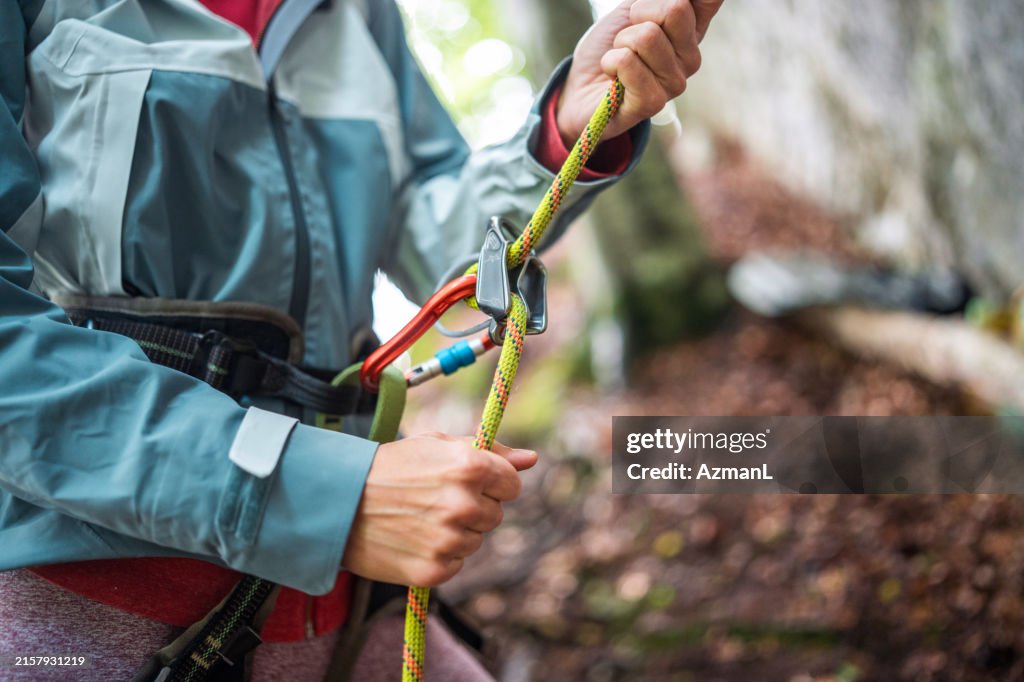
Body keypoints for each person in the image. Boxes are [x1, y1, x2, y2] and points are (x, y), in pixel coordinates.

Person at [0, 0, 723, 679]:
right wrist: (316, 498)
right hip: (80, 593)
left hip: (340, 598)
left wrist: (567, 128)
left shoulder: (357, 14)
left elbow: (436, 242)